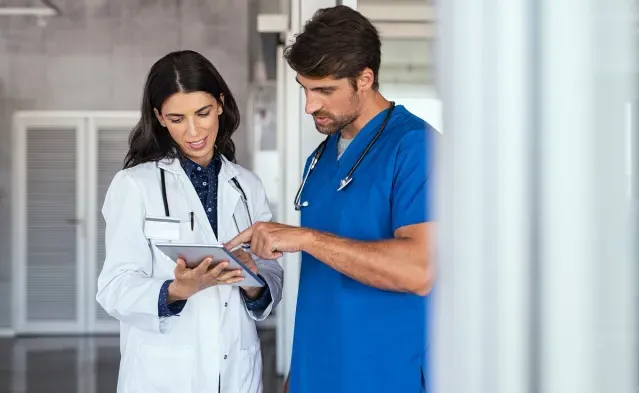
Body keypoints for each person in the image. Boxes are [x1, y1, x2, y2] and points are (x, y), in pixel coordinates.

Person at [225, 5, 436, 393]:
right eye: (304, 88)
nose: (310, 105)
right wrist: (296, 374)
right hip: (316, 373)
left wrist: (306, 238)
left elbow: (418, 270)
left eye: (324, 90)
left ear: (364, 79)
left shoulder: (415, 147)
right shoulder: (320, 160)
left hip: (384, 376)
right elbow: (321, 284)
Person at [96, 50, 283, 393]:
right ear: (160, 118)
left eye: (203, 112)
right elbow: (114, 288)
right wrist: (178, 289)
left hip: (236, 371)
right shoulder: (135, 185)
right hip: (163, 374)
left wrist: (252, 279)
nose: (194, 130)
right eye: (177, 118)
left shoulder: (247, 185)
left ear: (221, 104)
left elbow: (272, 273)